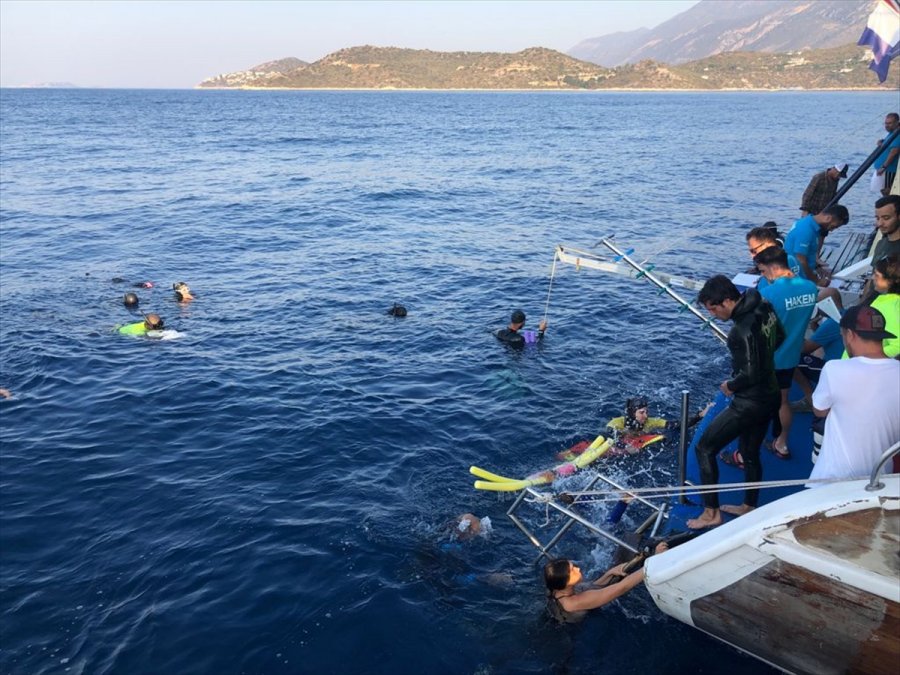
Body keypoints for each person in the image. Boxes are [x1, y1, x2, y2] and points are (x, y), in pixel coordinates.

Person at [686, 276, 783, 530]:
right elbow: (780, 337)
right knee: (750, 453)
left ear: (728, 300)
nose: (714, 314)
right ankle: (749, 506)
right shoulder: (764, 305)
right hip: (771, 394)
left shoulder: (740, 330)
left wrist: (731, 385)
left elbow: (750, 375)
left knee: (705, 447)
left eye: (714, 308)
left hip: (749, 401)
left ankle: (710, 513)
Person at [808, 305, 900, 484]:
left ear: (850, 335)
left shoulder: (834, 369)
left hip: (835, 476)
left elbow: (819, 410)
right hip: (882, 477)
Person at [754, 247, 818, 459]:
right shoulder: (810, 288)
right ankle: (781, 441)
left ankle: (768, 445)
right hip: (792, 355)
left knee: (767, 403)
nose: (763, 276)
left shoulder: (767, 295)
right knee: (783, 400)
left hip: (771, 358)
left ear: (773, 267)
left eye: (763, 271)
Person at [543, 542, 668, 623]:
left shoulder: (559, 589)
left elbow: (593, 587)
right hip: (568, 632)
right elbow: (621, 587)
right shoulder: (573, 603)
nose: (577, 569)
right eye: (572, 571)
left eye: (573, 566)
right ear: (565, 583)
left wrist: (611, 572)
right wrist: (654, 561)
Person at [783, 204, 850, 285]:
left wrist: (817, 268)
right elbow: (801, 259)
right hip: (797, 279)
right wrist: (816, 281)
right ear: (828, 218)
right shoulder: (806, 230)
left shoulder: (812, 225)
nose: (831, 230)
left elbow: (807, 254)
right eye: (833, 226)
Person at [606, 396, 711, 442]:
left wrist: (700, 416)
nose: (646, 416)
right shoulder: (617, 422)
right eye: (642, 412)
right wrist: (625, 446)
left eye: (647, 412)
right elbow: (609, 434)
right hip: (622, 445)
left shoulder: (651, 422)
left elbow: (677, 424)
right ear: (633, 414)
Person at [862, 196, 900, 303]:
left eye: (886, 218)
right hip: (870, 303)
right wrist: (861, 304)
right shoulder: (881, 243)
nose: (879, 224)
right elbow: (871, 279)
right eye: (878, 218)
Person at [867, 254, 900, 358]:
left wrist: (866, 357)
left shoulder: (890, 307)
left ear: (890, 281)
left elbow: (897, 346)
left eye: (877, 275)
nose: (873, 278)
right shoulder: (889, 301)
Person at [875, 112, 900, 197]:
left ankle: (891, 209)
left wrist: (883, 167)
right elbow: (890, 145)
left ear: (897, 122)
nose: (887, 125)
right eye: (886, 123)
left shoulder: (898, 134)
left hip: (889, 169)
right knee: (883, 191)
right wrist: (882, 142)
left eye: (890, 123)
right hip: (885, 169)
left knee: (887, 191)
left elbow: (894, 151)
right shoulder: (892, 133)